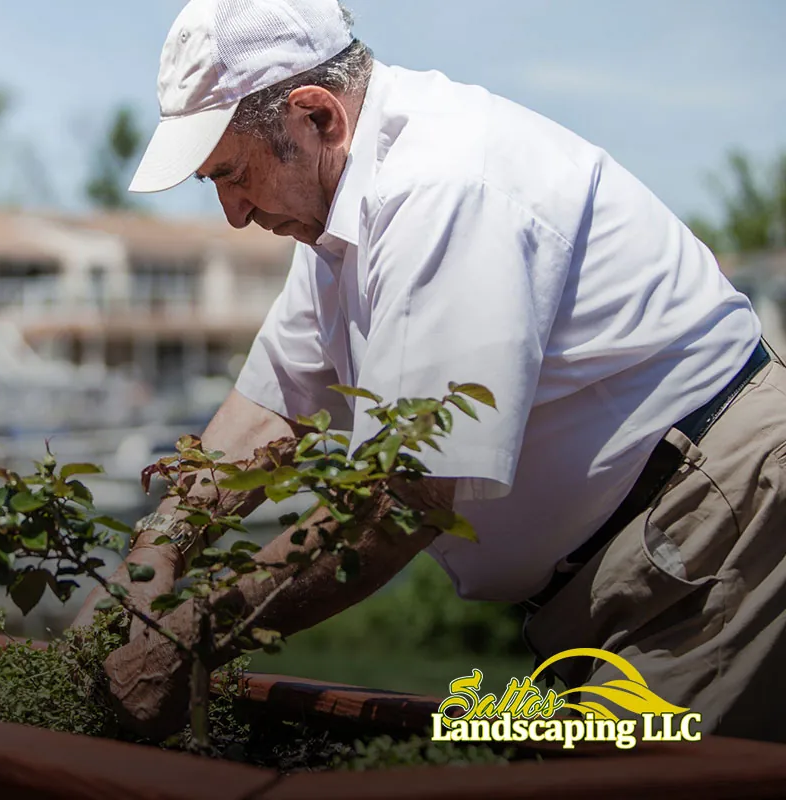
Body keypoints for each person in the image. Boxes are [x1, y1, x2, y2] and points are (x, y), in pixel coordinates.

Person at [71, 0, 786, 744]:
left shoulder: (443, 188)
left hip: (720, 530)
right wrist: (148, 565)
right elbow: (270, 405)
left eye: (234, 173)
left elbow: (405, 499)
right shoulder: (339, 218)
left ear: (317, 117)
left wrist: (190, 635)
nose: (232, 213)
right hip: (647, 553)